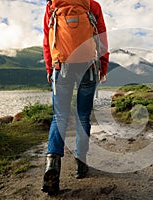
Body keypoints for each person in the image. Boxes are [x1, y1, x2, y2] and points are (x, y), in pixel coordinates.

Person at [41, 0, 109, 195]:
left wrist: (49, 67)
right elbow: (102, 40)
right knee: (83, 115)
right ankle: (81, 163)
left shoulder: (52, 5)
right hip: (88, 66)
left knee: (59, 116)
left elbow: (47, 40)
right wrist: (103, 67)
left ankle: (52, 164)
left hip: (60, 66)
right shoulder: (92, 5)